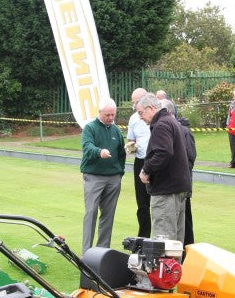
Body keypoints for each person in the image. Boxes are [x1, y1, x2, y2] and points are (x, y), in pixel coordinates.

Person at [137, 94, 191, 242]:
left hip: (166, 191)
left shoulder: (161, 125)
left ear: (151, 108)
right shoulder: (172, 122)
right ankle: (176, 266)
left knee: (164, 242)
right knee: (175, 243)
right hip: (178, 188)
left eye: (141, 113)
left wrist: (145, 170)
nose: (140, 117)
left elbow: (163, 153)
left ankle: (169, 266)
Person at [80, 98, 126, 255]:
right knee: (91, 212)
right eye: (107, 114)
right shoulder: (90, 128)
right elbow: (87, 147)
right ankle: (86, 252)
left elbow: (121, 153)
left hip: (113, 177)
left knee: (108, 215)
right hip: (93, 176)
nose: (110, 118)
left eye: (113, 114)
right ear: (99, 113)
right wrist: (99, 152)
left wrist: (120, 172)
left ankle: (101, 252)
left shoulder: (116, 131)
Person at [161, 98, 197, 246]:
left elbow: (190, 158)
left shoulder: (184, 131)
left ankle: (188, 253)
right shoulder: (167, 128)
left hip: (181, 184)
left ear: (169, 112)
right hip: (174, 184)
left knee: (185, 221)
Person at [127, 88, 152, 237]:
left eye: (136, 102)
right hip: (140, 160)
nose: (135, 106)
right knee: (142, 204)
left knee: (158, 202)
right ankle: (144, 237)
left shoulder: (154, 115)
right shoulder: (133, 118)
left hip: (155, 161)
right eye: (133, 103)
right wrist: (131, 146)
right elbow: (131, 139)